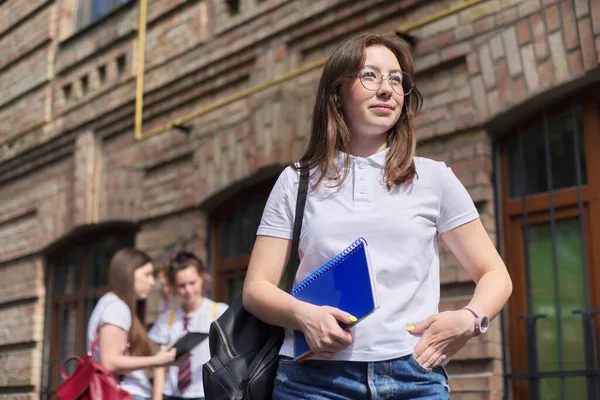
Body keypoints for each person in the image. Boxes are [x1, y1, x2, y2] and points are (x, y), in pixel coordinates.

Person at [242, 32, 513, 399]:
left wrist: (469, 319)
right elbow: (256, 289)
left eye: (396, 79)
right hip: (315, 380)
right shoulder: (297, 180)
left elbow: (495, 274)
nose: (386, 89)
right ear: (337, 92)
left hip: (414, 375)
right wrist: (305, 316)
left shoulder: (434, 178)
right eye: (370, 75)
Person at [87, 248, 176, 400]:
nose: (151, 282)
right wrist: (158, 360)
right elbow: (110, 362)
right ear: (128, 273)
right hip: (122, 393)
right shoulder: (116, 307)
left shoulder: (109, 303)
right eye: (147, 275)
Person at [149, 251, 229, 400]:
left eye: (192, 283)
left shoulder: (218, 312)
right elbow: (160, 367)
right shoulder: (168, 318)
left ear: (202, 279)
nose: (188, 290)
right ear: (173, 286)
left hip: (206, 393)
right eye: (181, 286)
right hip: (172, 394)